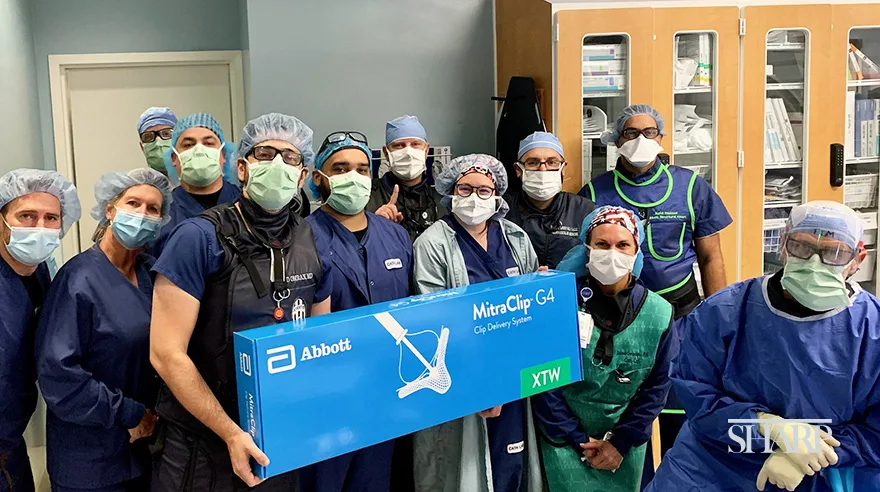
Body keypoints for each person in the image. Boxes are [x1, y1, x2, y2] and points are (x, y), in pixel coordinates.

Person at [149, 113, 331, 491]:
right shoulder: (198, 238)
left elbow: (318, 341)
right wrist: (231, 433)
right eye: (266, 153)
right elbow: (166, 353)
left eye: (291, 157)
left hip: (278, 436)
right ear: (242, 167)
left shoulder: (311, 240)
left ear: (302, 176)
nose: (278, 164)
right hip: (202, 444)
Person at [645, 201, 880, 492]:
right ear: (782, 245)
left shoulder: (872, 330)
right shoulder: (725, 312)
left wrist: (812, 453)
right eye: (801, 247)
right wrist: (766, 427)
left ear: (858, 258)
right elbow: (697, 397)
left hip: (820, 473)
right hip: (711, 468)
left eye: (835, 252)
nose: (814, 263)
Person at [35, 169, 172, 492]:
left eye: (152, 209)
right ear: (110, 210)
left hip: (141, 452)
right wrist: (130, 413)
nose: (141, 215)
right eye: (133, 203)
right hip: (89, 460)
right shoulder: (77, 279)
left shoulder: (151, 276)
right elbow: (58, 375)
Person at [412, 153, 542, 492]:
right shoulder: (433, 243)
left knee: (511, 464)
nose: (474, 197)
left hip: (513, 373)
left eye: (484, 190)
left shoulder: (515, 238)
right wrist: (482, 383)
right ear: (450, 192)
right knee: (465, 471)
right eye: (465, 188)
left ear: (498, 194)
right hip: (463, 375)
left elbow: (531, 310)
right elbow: (437, 320)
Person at [534, 206, 676, 492]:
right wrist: (575, 437)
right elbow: (542, 379)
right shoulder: (557, 304)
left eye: (623, 244)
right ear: (587, 249)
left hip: (625, 445)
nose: (612, 253)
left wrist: (620, 443)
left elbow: (657, 387)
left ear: (636, 251)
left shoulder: (659, 313)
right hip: (562, 441)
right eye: (602, 244)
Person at [302, 131, 412, 491]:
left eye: (363, 169)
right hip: (326, 398)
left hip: (387, 391)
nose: (354, 176)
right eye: (341, 168)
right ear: (319, 178)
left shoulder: (395, 236)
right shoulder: (301, 238)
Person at [579, 104, 731, 319]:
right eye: (631, 133)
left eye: (649, 132)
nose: (641, 139)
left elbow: (711, 257)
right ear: (617, 140)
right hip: (617, 308)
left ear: (660, 137)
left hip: (679, 305)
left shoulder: (690, 187)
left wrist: (718, 315)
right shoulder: (594, 192)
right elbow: (582, 258)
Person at [0, 170, 81, 492]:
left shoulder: (40, 273)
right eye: (26, 216)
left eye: (51, 218)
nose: (39, 228)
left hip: (11, 442)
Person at [150, 112, 240, 255]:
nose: (199, 150)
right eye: (188, 145)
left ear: (223, 155)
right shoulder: (161, 213)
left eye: (208, 143)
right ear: (174, 158)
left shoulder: (244, 203)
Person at [505, 131, 594, 269]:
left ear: (563, 168)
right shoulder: (504, 212)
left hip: (571, 288)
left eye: (551, 162)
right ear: (518, 169)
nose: (543, 169)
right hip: (518, 288)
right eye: (533, 162)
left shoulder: (585, 211)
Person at [367, 115, 448, 241]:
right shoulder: (368, 197)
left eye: (415, 144)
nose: (408, 153)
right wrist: (375, 224)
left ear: (426, 151)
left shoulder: (441, 201)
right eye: (399, 145)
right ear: (386, 153)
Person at [137, 107, 177, 175]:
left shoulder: (196, 181)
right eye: (148, 137)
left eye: (166, 133)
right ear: (142, 147)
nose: (158, 143)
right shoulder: (139, 183)